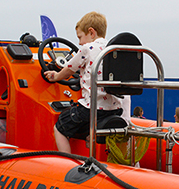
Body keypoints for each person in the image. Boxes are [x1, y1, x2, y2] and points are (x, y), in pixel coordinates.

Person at [43, 11, 123, 153]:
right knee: (85, 127)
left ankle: (68, 163)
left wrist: (55, 76)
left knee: (60, 127)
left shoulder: (87, 49)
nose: (79, 43)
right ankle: (90, 149)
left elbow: (68, 69)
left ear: (91, 32)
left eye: (80, 37)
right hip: (114, 109)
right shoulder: (113, 49)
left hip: (91, 109)